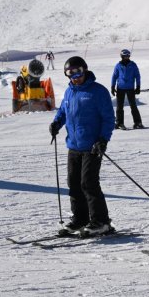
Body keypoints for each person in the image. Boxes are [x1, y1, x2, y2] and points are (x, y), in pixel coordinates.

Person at [49, 56, 115, 237]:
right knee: (74, 183)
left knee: (89, 183)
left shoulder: (97, 91)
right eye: (70, 74)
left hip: (92, 146)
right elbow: (63, 111)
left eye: (77, 72)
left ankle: (101, 222)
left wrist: (103, 140)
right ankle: (81, 219)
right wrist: (56, 123)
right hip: (74, 146)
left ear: (85, 70)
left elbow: (109, 119)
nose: (74, 77)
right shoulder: (70, 91)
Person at [111, 49, 144, 129]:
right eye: (125, 56)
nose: (126, 57)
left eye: (128, 56)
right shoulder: (118, 65)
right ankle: (119, 123)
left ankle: (138, 123)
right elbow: (114, 76)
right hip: (120, 88)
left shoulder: (133, 65)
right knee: (119, 107)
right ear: (122, 56)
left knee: (133, 106)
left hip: (130, 89)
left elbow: (137, 76)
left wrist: (138, 86)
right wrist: (112, 86)